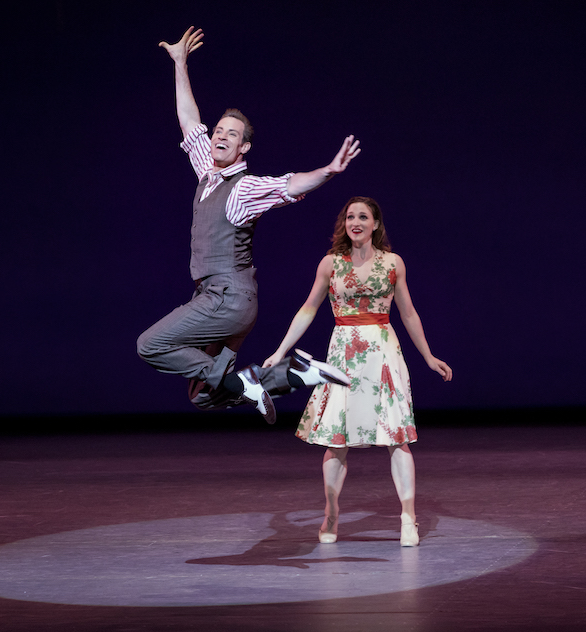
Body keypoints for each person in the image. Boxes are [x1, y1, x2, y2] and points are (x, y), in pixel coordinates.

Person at [136, 27, 360, 424]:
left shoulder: (243, 189)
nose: (220, 137)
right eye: (218, 132)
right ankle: (294, 373)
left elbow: (288, 185)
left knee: (150, 344)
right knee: (204, 396)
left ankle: (245, 385)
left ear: (244, 148)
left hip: (226, 301)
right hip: (219, 299)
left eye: (231, 135)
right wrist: (180, 63)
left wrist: (328, 170)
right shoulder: (207, 172)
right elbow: (189, 121)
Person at [263, 196, 453, 546]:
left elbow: (408, 313)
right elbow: (308, 309)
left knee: (397, 438)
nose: (356, 222)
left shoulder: (393, 263)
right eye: (351, 216)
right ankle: (331, 514)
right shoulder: (330, 264)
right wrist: (281, 350)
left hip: (382, 349)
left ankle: (408, 517)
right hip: (343, 353)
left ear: (376, 224)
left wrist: (427, 356)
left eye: (363, 217)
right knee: (337, 441)